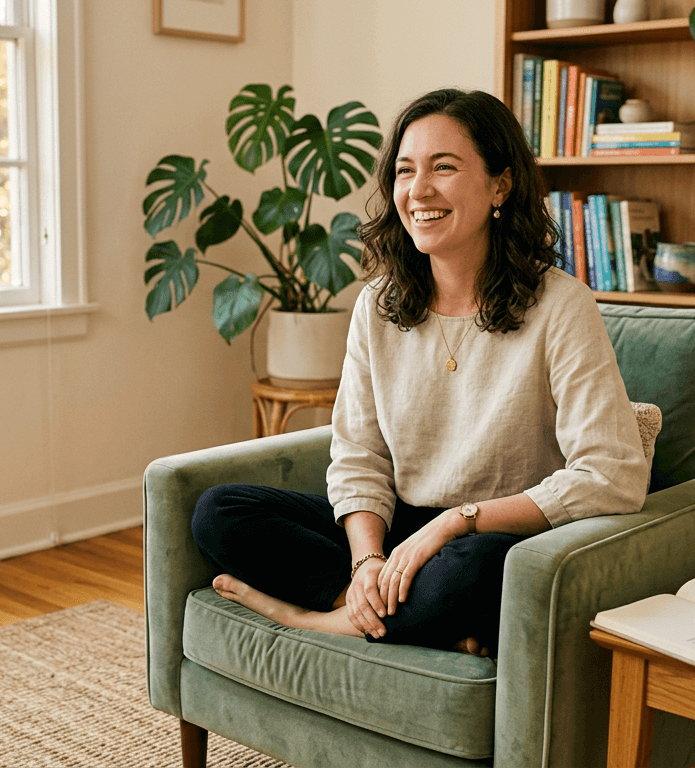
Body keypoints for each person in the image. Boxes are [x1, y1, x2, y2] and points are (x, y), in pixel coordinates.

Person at [190, 88, 649, 656]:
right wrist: (367, 562)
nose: (419, 190)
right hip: (400, 531)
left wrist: (456, 521)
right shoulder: (377, 304)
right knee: (221, 511)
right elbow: (358, 455)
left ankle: (314, 620)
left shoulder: (560, 305)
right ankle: (376, 609)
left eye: (445, 168)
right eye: (405, 171)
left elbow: (613, 475)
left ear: (500, 185)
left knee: (478, 569)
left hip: (492, 535)